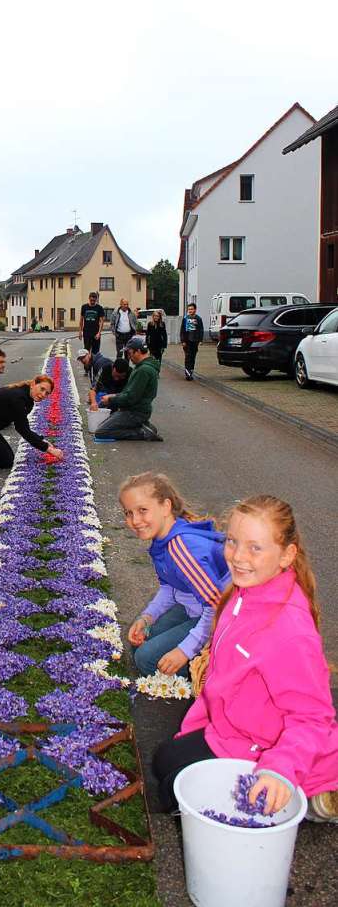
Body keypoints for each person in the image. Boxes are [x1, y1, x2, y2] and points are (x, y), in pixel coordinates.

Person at [153, 495, 338, 821]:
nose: (238, 556)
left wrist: (280, 768)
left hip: (269, 745)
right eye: (233, 542)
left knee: (171, 795)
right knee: (163, 761)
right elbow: (224, 678)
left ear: (286, 555)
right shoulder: (242, 592)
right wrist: (201, 724)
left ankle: (314, 790)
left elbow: (312, 717)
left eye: (255, 548)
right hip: (236, 730)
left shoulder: (290, 631)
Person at [119, 472, 230, 678]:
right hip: (194, 607)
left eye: (143, 510)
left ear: (166, 506)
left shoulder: (181, 547)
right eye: (128, 513)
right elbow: (170, 588)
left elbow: (217, 606)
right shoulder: (162, 541)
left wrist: (183, 651)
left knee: (146, 659)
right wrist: (146, 618)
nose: (135, 520)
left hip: (222, 618)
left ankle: (220, 668)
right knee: (140, 644)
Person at [0, 376, 64, 469]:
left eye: (47, 393)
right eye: (42, 389)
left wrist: (41, 440)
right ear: (33, 384)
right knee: (6, 460)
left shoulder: (26, 397)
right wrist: (48, 448)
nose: (43, 394)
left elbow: (23, 425)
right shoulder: (18, 398)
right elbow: (22, 429)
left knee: (6, 456)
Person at [94, 336, 163, 441]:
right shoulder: (142, 367)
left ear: (138, 351)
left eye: (130, 353)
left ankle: (141, 432)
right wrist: (114, 396)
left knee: (101, 432)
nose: (129, 357)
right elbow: (130, 392)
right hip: (135, 410)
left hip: (134, 412)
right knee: (103, 424)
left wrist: (111, 399)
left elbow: (131, 397)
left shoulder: (143, 370)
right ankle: (142, 425)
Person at [78, 292, 106, 361]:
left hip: (95, 333)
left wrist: (99, 333)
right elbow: (81, 320)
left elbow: (102, 321)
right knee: (86, 352)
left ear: (96, 299)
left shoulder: (99, 308)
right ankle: (87, 369)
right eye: (91, 300)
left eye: (94, 300)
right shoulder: (84, 307)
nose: (92, 302)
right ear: (89, 299)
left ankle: (95, 367)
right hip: (86, 333)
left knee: (95, 352)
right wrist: (80, 332)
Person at [180, 302, 204, 380]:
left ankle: (191, 371)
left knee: (193, 357)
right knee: (188, 356)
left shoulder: (198, 319)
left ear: (195, 310)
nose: (190, 310)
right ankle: (187, 373)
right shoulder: (185, 318)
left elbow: (201, 329)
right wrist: (183, 340)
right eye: (189, 309)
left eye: (192, 309)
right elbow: (182, 330)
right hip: (187, 341)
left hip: (195, 340)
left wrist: (200, 340)